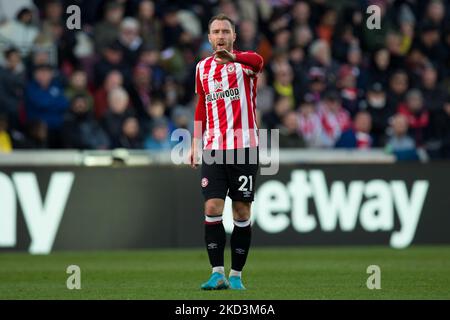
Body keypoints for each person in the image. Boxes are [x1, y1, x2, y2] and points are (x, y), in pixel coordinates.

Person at [189, 14, 263, 290]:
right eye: (215, 32)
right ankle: (217, 272)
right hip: (214, 148)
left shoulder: (246, 65)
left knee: (241, 212)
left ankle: (236, 276)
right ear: (209, 38)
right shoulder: (202, 68)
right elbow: (201, 106)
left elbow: (259, 62)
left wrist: (234, 58)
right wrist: (195, 144)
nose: (220, 36)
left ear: (234, 36)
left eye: (225, 31)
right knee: (212, 206)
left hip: (244, 148)